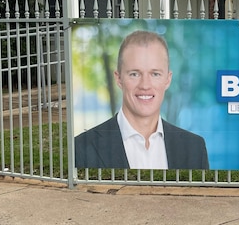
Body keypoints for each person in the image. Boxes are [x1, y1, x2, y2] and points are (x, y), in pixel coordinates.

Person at [74, 29, 209, 170]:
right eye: (134, 74)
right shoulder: (81, 147)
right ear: (119, 79)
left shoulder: (195, 148)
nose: (145, 85)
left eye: (155, 74)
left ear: (168, 80)